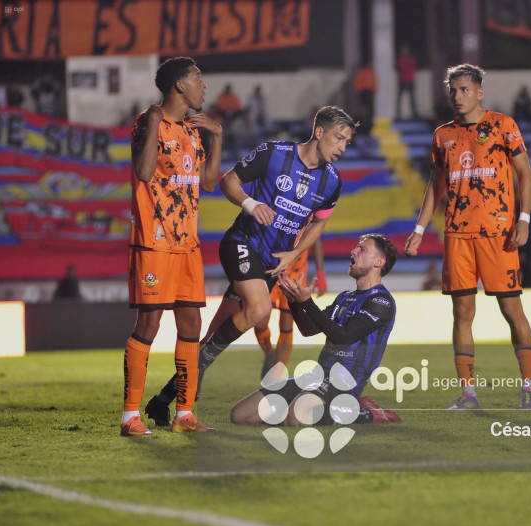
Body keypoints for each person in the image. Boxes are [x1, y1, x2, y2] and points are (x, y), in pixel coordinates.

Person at [144, 106, 357, 427]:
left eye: (347, 142)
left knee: (217, 333)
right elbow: (229, 181)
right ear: (319, 132)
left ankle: (163, 400)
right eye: (339, 138)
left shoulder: (332, 181)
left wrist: (295, 253)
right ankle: (197, 371)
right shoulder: (275, 154)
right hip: (241, 244)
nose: (342, 147)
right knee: (258, 310)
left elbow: (318, 224)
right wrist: (250, 203)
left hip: (272, 263)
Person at [404, 64, 531, 410]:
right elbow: (434, 188)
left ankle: (530, 388)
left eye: (464, 89)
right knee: (462, 315)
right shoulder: (442, 136)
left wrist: (523, 219)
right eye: (453, 90)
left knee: (512, 311)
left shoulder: (503, 126)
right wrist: (419, 229)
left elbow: (525, 174)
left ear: (480, 92)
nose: (457, 96)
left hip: (498, 234)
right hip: (457, 236)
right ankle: (468, 395)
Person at [121, 56, 223, 436]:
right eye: (198, 77)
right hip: (153, 241)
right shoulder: (148, 122)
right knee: (148, 324)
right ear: (179, 85)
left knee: (192, 324)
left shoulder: (194, 131)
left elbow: (209, 183)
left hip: (188, 245)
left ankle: (185, 415)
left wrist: (218, 136)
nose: (204, 85)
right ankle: (130, 416)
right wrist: (151, 125)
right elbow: (144, 173)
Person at [230, 234, 402, 425]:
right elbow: (308, 329)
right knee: (240, 415)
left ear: (379, 261)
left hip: (344, 382)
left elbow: (343, 337)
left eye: (362, 249)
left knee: (297, 418)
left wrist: (308, 302)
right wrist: (294, 301)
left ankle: (368, 413)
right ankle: (304, 409)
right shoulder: (345, 297)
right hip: (316, 376)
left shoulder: (381, 301)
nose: (353, 251)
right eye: (356, 247)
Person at [256, 239, 326, 379]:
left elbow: (315, 241)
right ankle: (270, 353)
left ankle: (276, 376)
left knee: (287, 324)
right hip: (270, 267)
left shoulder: (310, 219)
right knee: (259, 320)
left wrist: (320, 274)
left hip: (295, 270)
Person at [395, 44, 419, 119]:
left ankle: (415, 113)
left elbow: (415, 65)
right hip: (402, 80)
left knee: (412, 98)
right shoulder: (400, 59)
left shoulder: (412, 59)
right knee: (399, 98)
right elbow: (399, 67)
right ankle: (398, 113)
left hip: (410, 80)